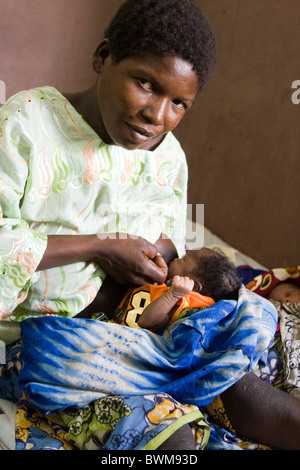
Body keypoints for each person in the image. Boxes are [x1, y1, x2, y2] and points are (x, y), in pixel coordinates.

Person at [110, 247, 242, 331]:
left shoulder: (187, 301)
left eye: (182, 260)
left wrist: (172, 295)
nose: (176, 259)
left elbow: (146, 321)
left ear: (193, 285)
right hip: (112, 326)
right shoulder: (168, 286)